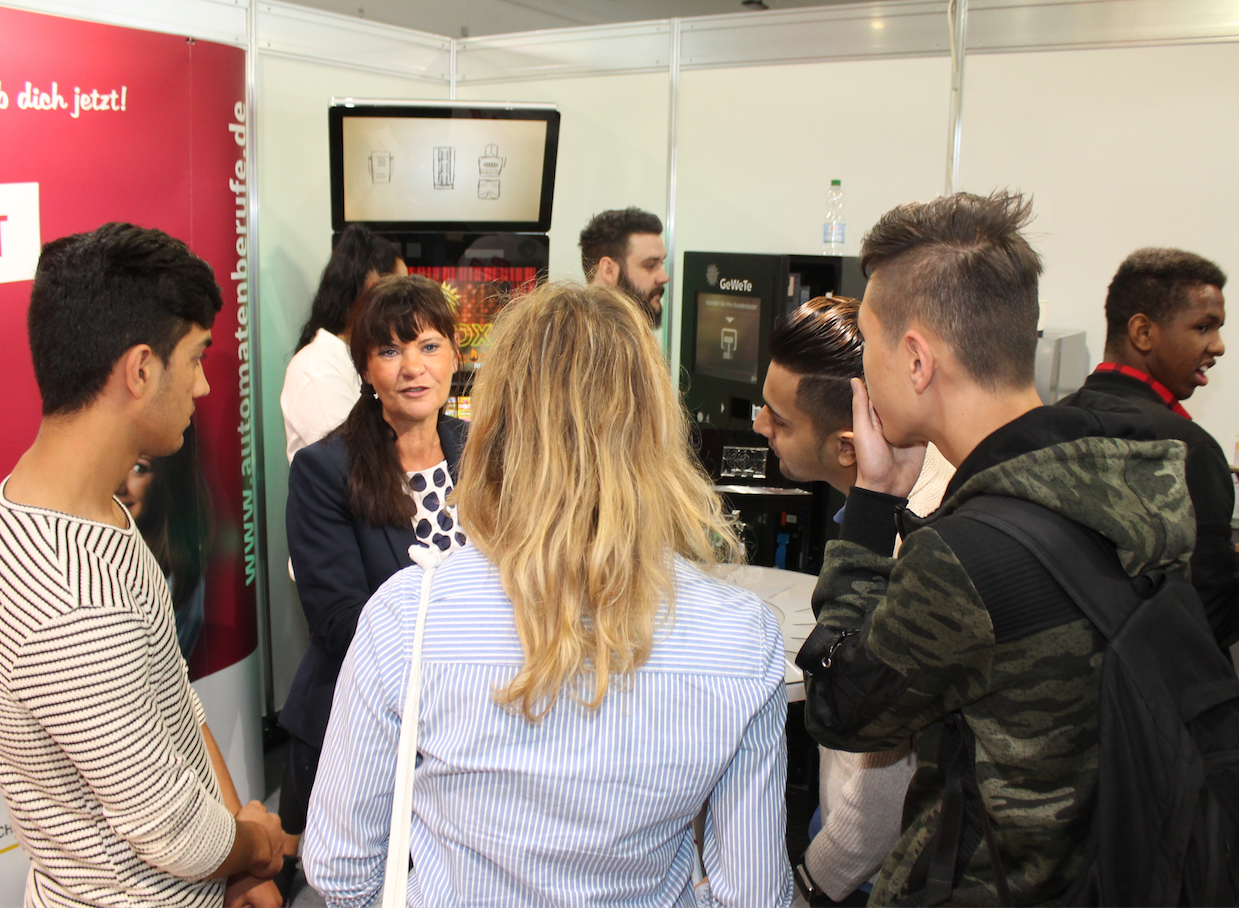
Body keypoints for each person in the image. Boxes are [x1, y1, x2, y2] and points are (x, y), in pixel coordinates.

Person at [303, 283, 792, 907]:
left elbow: (341, 870)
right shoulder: (743, 635)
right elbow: (753, 894)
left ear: (495, 427)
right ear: (655, 425)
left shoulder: (408, 618)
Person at [797, 192, 1194, 904]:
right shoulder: (1135, 484)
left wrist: (870, 507)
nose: (865, 374)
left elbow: (839, 706)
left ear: (915, 360)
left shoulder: (964, 557)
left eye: (870, 346)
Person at [0, 223, 284, 907]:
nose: (203, 385)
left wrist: (238, 859)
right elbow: (176, 835)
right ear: (140, 370)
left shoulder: (73, 506)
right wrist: (257, 845)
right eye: (194, 358)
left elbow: (171, 698)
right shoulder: (71, 602)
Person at [752, 295, 954, 905]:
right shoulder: (889, 498)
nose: (759, 426)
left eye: (780, 419)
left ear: (848, 446)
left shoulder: (914, 541)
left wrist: (813, 883)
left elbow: (882, 791)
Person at [276, 274, 468, 895]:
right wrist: (471, 651)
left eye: (429, 346)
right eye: (390, 350)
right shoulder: (325, 469)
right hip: (363, 727)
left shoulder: (482, 452)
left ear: (455, 355)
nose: (413, 367)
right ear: (364, 368)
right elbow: (340, 622)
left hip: (462, 728)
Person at [1058, 248, 1236, 650]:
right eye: (1204, 327)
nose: (1219, 346)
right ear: (1143, 332)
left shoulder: (1052, 421)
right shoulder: (1188, 450)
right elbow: (1212, 615)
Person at [281, 224, 406, 463]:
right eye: (398, 293)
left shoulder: (361, 355)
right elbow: (352, 460)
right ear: (369, 287)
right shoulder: (317, 366)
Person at [116, 423, 213, 661]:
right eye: (114, 463)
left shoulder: (175, 580)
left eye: (139, 468)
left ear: (167, 481)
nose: (119, 486)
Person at [579, 206, 670, 327]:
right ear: (608, 270)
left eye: (662, 263)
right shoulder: (571, 337)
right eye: (650, 265)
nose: (664, 277)